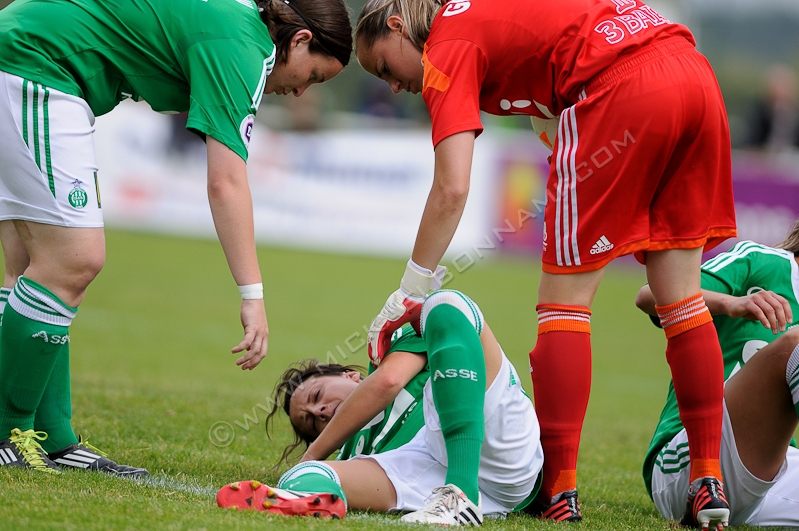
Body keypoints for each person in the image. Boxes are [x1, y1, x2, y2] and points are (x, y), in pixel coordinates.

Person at [354, 0, 737, 525]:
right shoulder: (484, 19)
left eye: (383, 67)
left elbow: (452, 187)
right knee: (682, 301)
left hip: (619, 88)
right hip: (692, 73)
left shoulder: (445, 45)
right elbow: (547, 96)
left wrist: (410, 290)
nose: (393, 86)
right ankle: (708, 480)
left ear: (399, 28)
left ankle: (558, 491)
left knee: (564, 307)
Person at [0, 0, 351, 475]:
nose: (301, 90)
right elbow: (225, 181)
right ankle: (9, 434)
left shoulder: (237, 24)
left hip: (27, 51)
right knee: (74, 261)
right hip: (34, 61)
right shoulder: (246, 45)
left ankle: (54, 438)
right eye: (314, 75)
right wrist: (252, 295)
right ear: (301, 40)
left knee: (31, 268)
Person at [217, 290, 544, 525]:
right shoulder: (354, 449)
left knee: (448, 305)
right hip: (429, 464)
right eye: (311, 423)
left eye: (316, 397)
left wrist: (311, 452)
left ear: (350, 374)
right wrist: (306, 468)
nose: (319, 414)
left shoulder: (386, 362)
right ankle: (300, 503)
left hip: (496, 444)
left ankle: (461, 494)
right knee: (307, 476)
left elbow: (387, 382)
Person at [636, 219, 799, 527]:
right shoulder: (762, 262)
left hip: (773, 471)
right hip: (692, 460)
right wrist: (731, 303)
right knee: (796, 345)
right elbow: (648, 295)